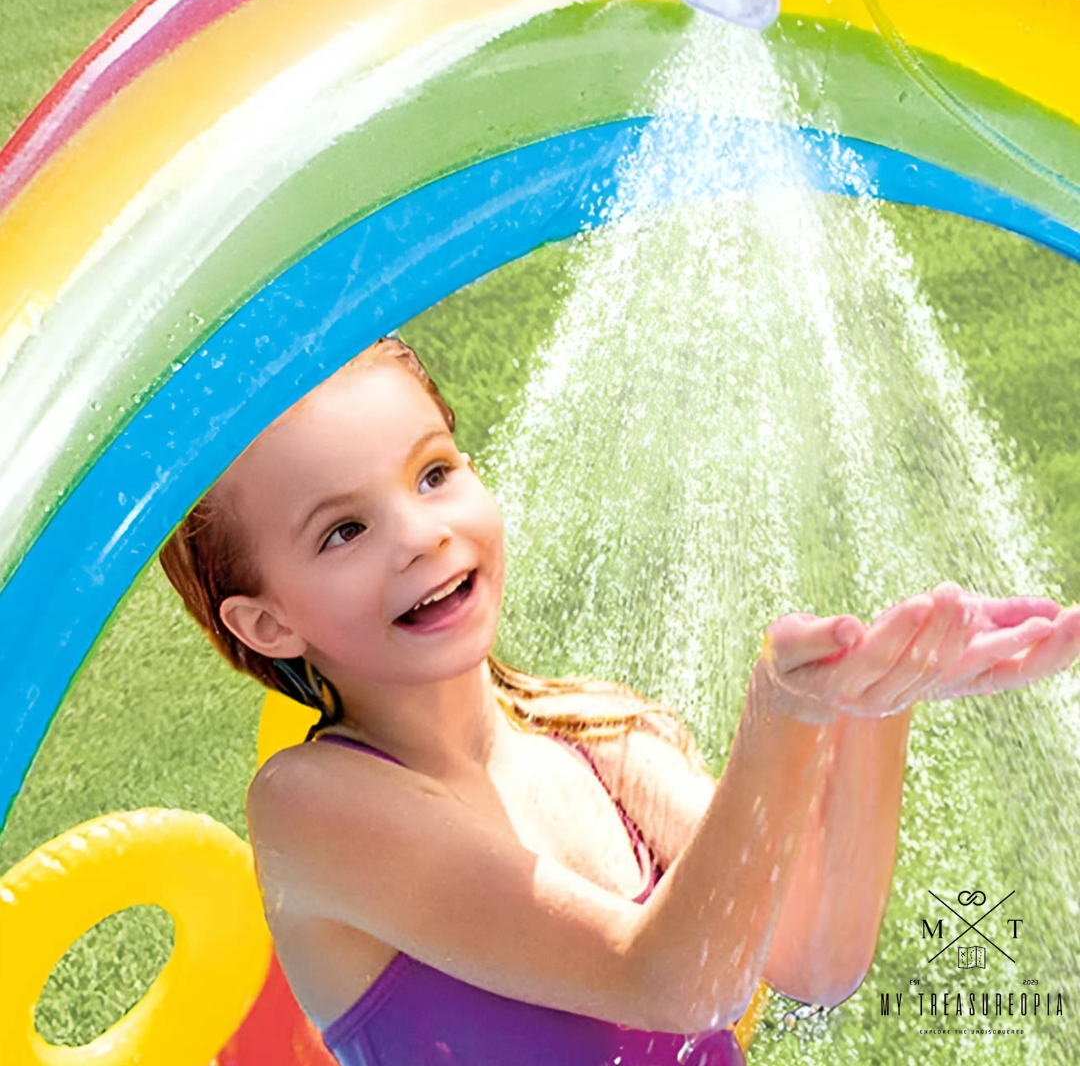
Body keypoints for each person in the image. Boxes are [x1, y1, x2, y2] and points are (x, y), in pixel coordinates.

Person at [158, 335, 1080, 1066]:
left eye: (434, 473)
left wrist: (875, 707)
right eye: (344, 530)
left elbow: (814, 957)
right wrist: (781, 717)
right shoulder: (313, 804)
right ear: (269, 622)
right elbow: (673, 982)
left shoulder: (596, 731)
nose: (420, 536)